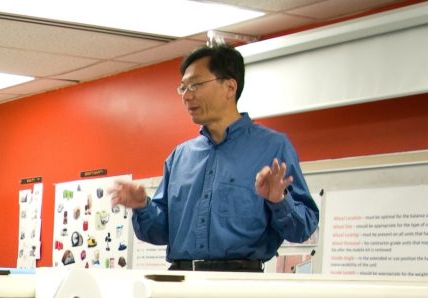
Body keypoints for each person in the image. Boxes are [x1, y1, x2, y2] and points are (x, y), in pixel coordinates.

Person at [110, 43, 319, 272]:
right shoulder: (180, 157)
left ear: (230, 87)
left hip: (239, 285)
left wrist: (279, 201)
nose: (187, 96)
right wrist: (142, 206)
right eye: (183, 88)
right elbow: (159, 232)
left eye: (195, 85)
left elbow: (303, 228)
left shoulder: (273, 147)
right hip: (182, 282)